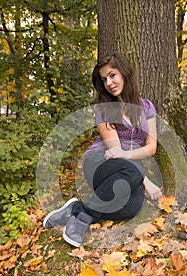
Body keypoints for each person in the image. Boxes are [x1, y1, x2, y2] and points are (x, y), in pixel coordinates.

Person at [43, 52, 162, 247]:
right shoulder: (104, 108)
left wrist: (134, 166)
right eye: (104, 79)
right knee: (131, 170)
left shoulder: (147, 107)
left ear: (124, 73)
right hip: (100, 163)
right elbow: (115, 153)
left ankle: (76, 208)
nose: (109, 82)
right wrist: (145, 180)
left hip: (126, 170)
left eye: (112, 75)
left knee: (132, 208)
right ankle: (82, 219)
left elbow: (151, 147)